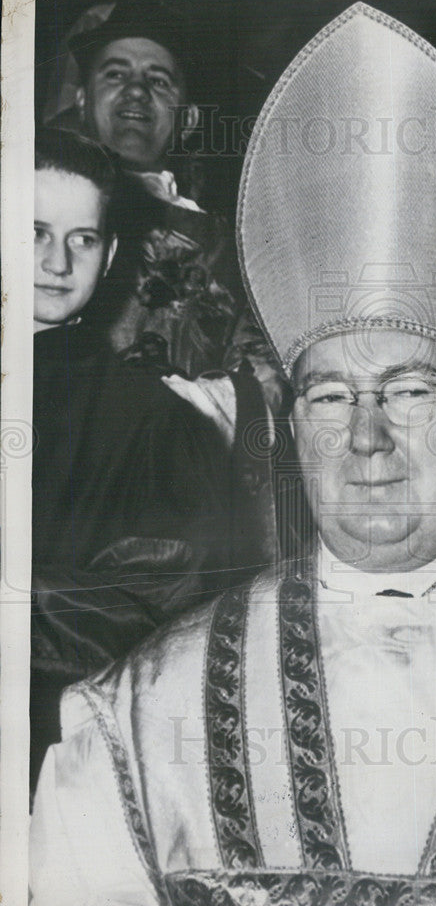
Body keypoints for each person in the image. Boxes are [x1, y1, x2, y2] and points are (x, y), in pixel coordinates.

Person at [29, 4, 436, 906]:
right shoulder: (135, 720)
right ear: (294, 432)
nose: (367, 438)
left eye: (412, 393)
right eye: (331, 398)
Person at [30, 128, 276, 790]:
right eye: (33, 232)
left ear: (109, 257)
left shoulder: (150, 419)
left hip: (57, 748)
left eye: (81, 239)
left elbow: (157, 607)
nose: (57, 261)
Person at [66, 0, 283, 416]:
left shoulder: (238, 248)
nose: (135, 90)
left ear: (188, 121)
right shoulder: (25, 206)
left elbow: (265, 375)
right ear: (80, 101)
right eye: (115, 74)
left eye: (159, 80)